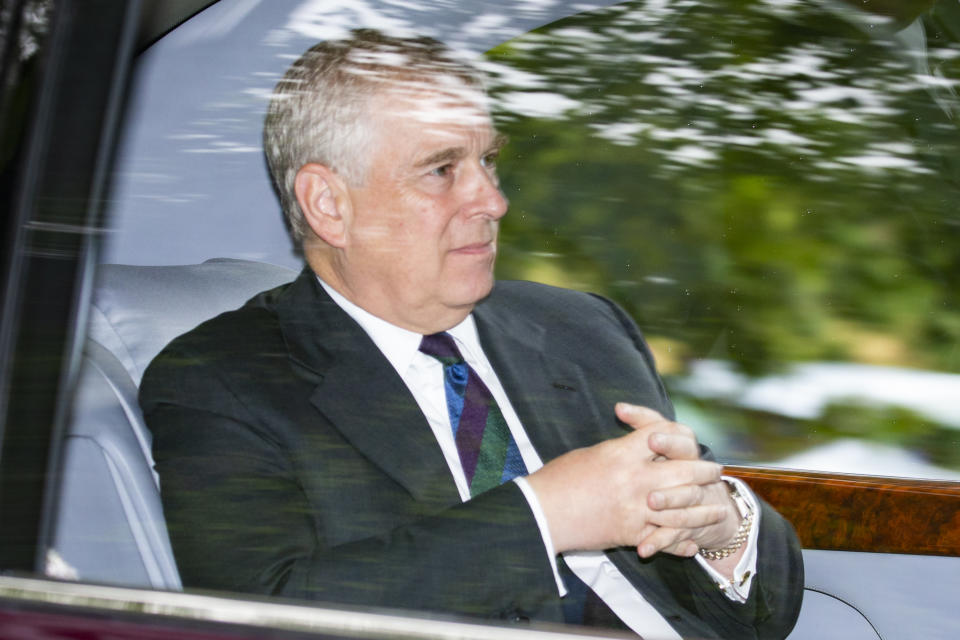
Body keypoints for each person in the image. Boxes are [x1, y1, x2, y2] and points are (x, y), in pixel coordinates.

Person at [140, 29, 802, 639]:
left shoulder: (581, 327)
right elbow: (263, 617)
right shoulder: (224, 380)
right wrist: (545, 515)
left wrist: (723, 527)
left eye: (488, 162)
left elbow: (762, 613)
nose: (492, 201)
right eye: (442, 170)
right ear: (329, 205)